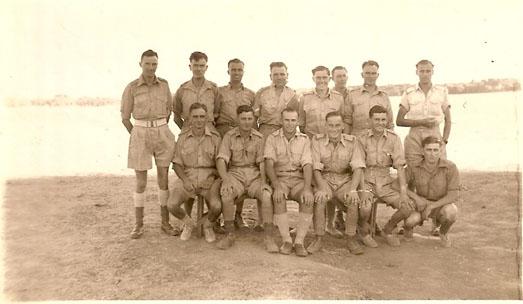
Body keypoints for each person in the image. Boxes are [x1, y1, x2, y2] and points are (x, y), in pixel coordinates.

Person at [120, 49, 178, 239]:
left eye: (154, 64)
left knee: (163, 178)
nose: (151, 68)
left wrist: (158, 128)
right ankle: (138, 224)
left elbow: (169, 111)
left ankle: (165, 222)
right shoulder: (132, 87)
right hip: (140, 133)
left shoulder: (164, 85)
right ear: (141, 64)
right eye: (148, 64)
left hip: (162, 131)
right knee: (141, 181)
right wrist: (139, 133)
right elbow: (125, 117)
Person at [396, 59, 452, 236]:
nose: (425, 73)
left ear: (433, 72)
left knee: (439, 175)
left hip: (435, 135)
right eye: (422, 71)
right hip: (415, 135)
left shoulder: (442, 92)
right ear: (416, 72)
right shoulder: (409, 92)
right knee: (412, 175)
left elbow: (448, 119)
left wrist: (444, 139)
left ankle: (436, 223)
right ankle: (409, 220)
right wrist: (420, 121)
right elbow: (399, 120)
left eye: (428, 71)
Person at [215, 105, 278, 252]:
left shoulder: (259, 137)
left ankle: (268, 237)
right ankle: (229, 234)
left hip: (254, 174)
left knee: (267, 195)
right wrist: (226, 179)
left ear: (253, 119)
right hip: (235, 174)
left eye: (250, 118)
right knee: (226, 193)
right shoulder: (229, 136)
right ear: (237, 119)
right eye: (243, 119)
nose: (247, 122)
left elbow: (261, 162)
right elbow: (221, 160)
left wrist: (263, 181)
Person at [309, 111, 366, 255]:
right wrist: (321, 187)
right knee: (320, 198)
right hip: (324, 178)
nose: (334, 129)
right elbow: (315, 168)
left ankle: (350, 238)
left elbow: (358, 167)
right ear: (326, 126)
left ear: (342, 126)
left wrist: (353, 189)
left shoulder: (352, 141)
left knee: (353, 200)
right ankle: (318, 238)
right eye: (331, 125)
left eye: (337, 125)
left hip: (344, 179)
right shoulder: (317, 140)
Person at [215, 58, 262, 231]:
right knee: (223, 176)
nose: (236, 72)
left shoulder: (250, 94)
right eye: (233, 70)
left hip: (245, 131)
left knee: (244, 172)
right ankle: (220, 217)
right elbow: (213, 115)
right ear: (228, 71)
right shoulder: (219, 92)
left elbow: (253, 117)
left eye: (239, 70)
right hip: (224, 133)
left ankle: (238, 215)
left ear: (243, 72)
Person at [358, 105, 415, 247]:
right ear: (369, 120)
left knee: (407, 207)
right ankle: (364, 230)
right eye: (376, 119)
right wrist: (362, 189)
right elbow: (359, 166)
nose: (380, 123)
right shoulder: (362, 139)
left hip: (386, 182)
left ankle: (388, 230)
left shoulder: (394, 139)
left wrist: (403, 192)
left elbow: (400, 167)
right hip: (367, 180)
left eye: (383, 119)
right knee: (364, 207)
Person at [167, 103, 222, 243]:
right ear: (189, 119)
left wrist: (213, 177)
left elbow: (221, 164)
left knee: (217, 206)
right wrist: (185, 180)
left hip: (209, 178)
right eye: (195, 117)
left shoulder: (215, 138)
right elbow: (177, 164)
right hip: (188, 176)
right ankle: (189, 223)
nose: (199, 120)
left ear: (207, 118)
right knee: (172, 204)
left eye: (202, 117)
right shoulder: (183, 137)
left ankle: (208, 226)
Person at [264, 108, 314, 257]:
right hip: (281, 179)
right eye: (286, 120)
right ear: (281, 121)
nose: (290, 124)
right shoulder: (272, 138)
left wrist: (306, 188)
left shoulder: (305, 139)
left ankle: (299, 241)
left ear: (298, 121)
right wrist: (277, 186)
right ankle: (286, 240)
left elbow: (307, 165)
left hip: (298, 179)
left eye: (293, 120)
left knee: (308, 199)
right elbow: (268, 163)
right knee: (278, 197)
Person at [402, 136, 459, 248]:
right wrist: (417, 198)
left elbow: (454, 195)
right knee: (410, 220)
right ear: (422, 151)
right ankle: (408, 229)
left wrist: (432, 206)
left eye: (435, 150)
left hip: (441, 204)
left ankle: (443, 232)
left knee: (451, 212)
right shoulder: (414, 166)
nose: (432, 154)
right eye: (429, 150)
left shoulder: (450, 167)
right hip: (420, 205)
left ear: (440, 151)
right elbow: (397, 185)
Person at [173, 51, 220, 132]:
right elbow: (176, 116)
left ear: (206, 67)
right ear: (190, 67)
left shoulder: (213, 89)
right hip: (188, 131)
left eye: (202, 66)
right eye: (195, 65)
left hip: (209, 132)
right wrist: (186, 129)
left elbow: (217, 113)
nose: (198, 69)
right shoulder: (182, 90)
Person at [346, 60, 394, 136]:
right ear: (362, 75)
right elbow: (347, 122)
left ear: (377, 75)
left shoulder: (384, 97)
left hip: (379, 141)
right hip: (358, 141)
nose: (370, 76)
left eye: (373, 73)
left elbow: (390, 123)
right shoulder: (352, 95)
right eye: (367, 73)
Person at [298, 65, 348, 139]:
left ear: (329, 79)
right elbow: (301, 124)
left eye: (324, 78)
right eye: (318, 78)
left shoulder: (339, 98)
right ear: (313, 79)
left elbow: (342, 121)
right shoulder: (304, 98)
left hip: (331, 141)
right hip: (312, 142)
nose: (321, 81)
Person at [253, 62, 299, 138]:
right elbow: (254, 118)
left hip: (284, 134)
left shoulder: (293, 95)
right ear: (270, 76)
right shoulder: (261, 93)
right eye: (276, 74)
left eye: (282, 74)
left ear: (287, 75)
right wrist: (256, 136)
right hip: (265, 133)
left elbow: (295, 120)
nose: (279, 77)